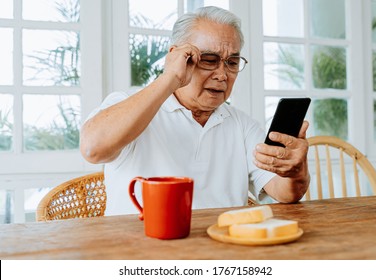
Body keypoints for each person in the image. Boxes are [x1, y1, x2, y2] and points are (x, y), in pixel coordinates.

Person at [80, 6, 310, 215]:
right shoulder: (130, 105)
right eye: (209, 60)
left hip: (223, 250)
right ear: (177, 57)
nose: (222, 74)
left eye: (232, 62)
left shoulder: (241, 125)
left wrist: (295, 170)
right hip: (142, 250)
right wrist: (170, 77)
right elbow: (93, 150)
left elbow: (286, 193)